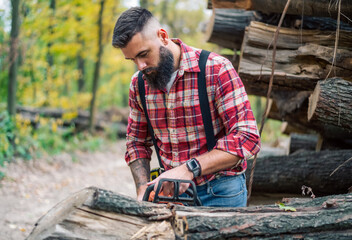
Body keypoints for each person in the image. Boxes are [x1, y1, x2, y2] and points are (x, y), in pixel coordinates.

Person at [112, 7, 261, 207]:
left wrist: (188, 169)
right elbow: (136, 143)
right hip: (170, 197)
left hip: (222, 191)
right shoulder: (138, 84)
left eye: (144, 54)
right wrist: (142, 189)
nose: (140, 66)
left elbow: (247, 138)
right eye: (132, 60)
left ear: (163, 36)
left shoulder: (216, 69)